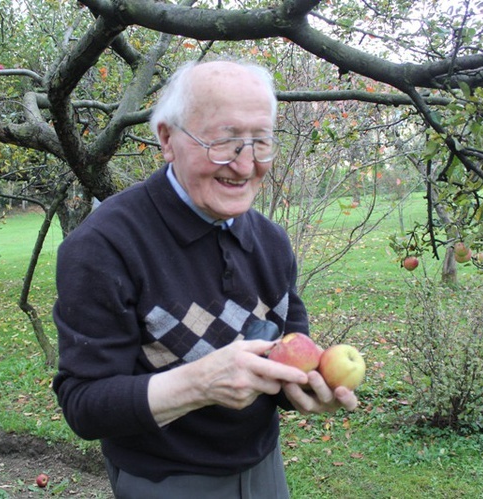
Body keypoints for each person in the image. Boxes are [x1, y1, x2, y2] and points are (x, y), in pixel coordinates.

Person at [52, 59, 358, 498]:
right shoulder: (103, 247)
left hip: (264, 469)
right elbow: (85, 406)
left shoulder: (271, 242)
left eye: (261, 142)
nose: (246, 165)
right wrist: (198, 384)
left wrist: (308, 389)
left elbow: (284, 359)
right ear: (167, 139)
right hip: (164, 480)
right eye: (224, 142)